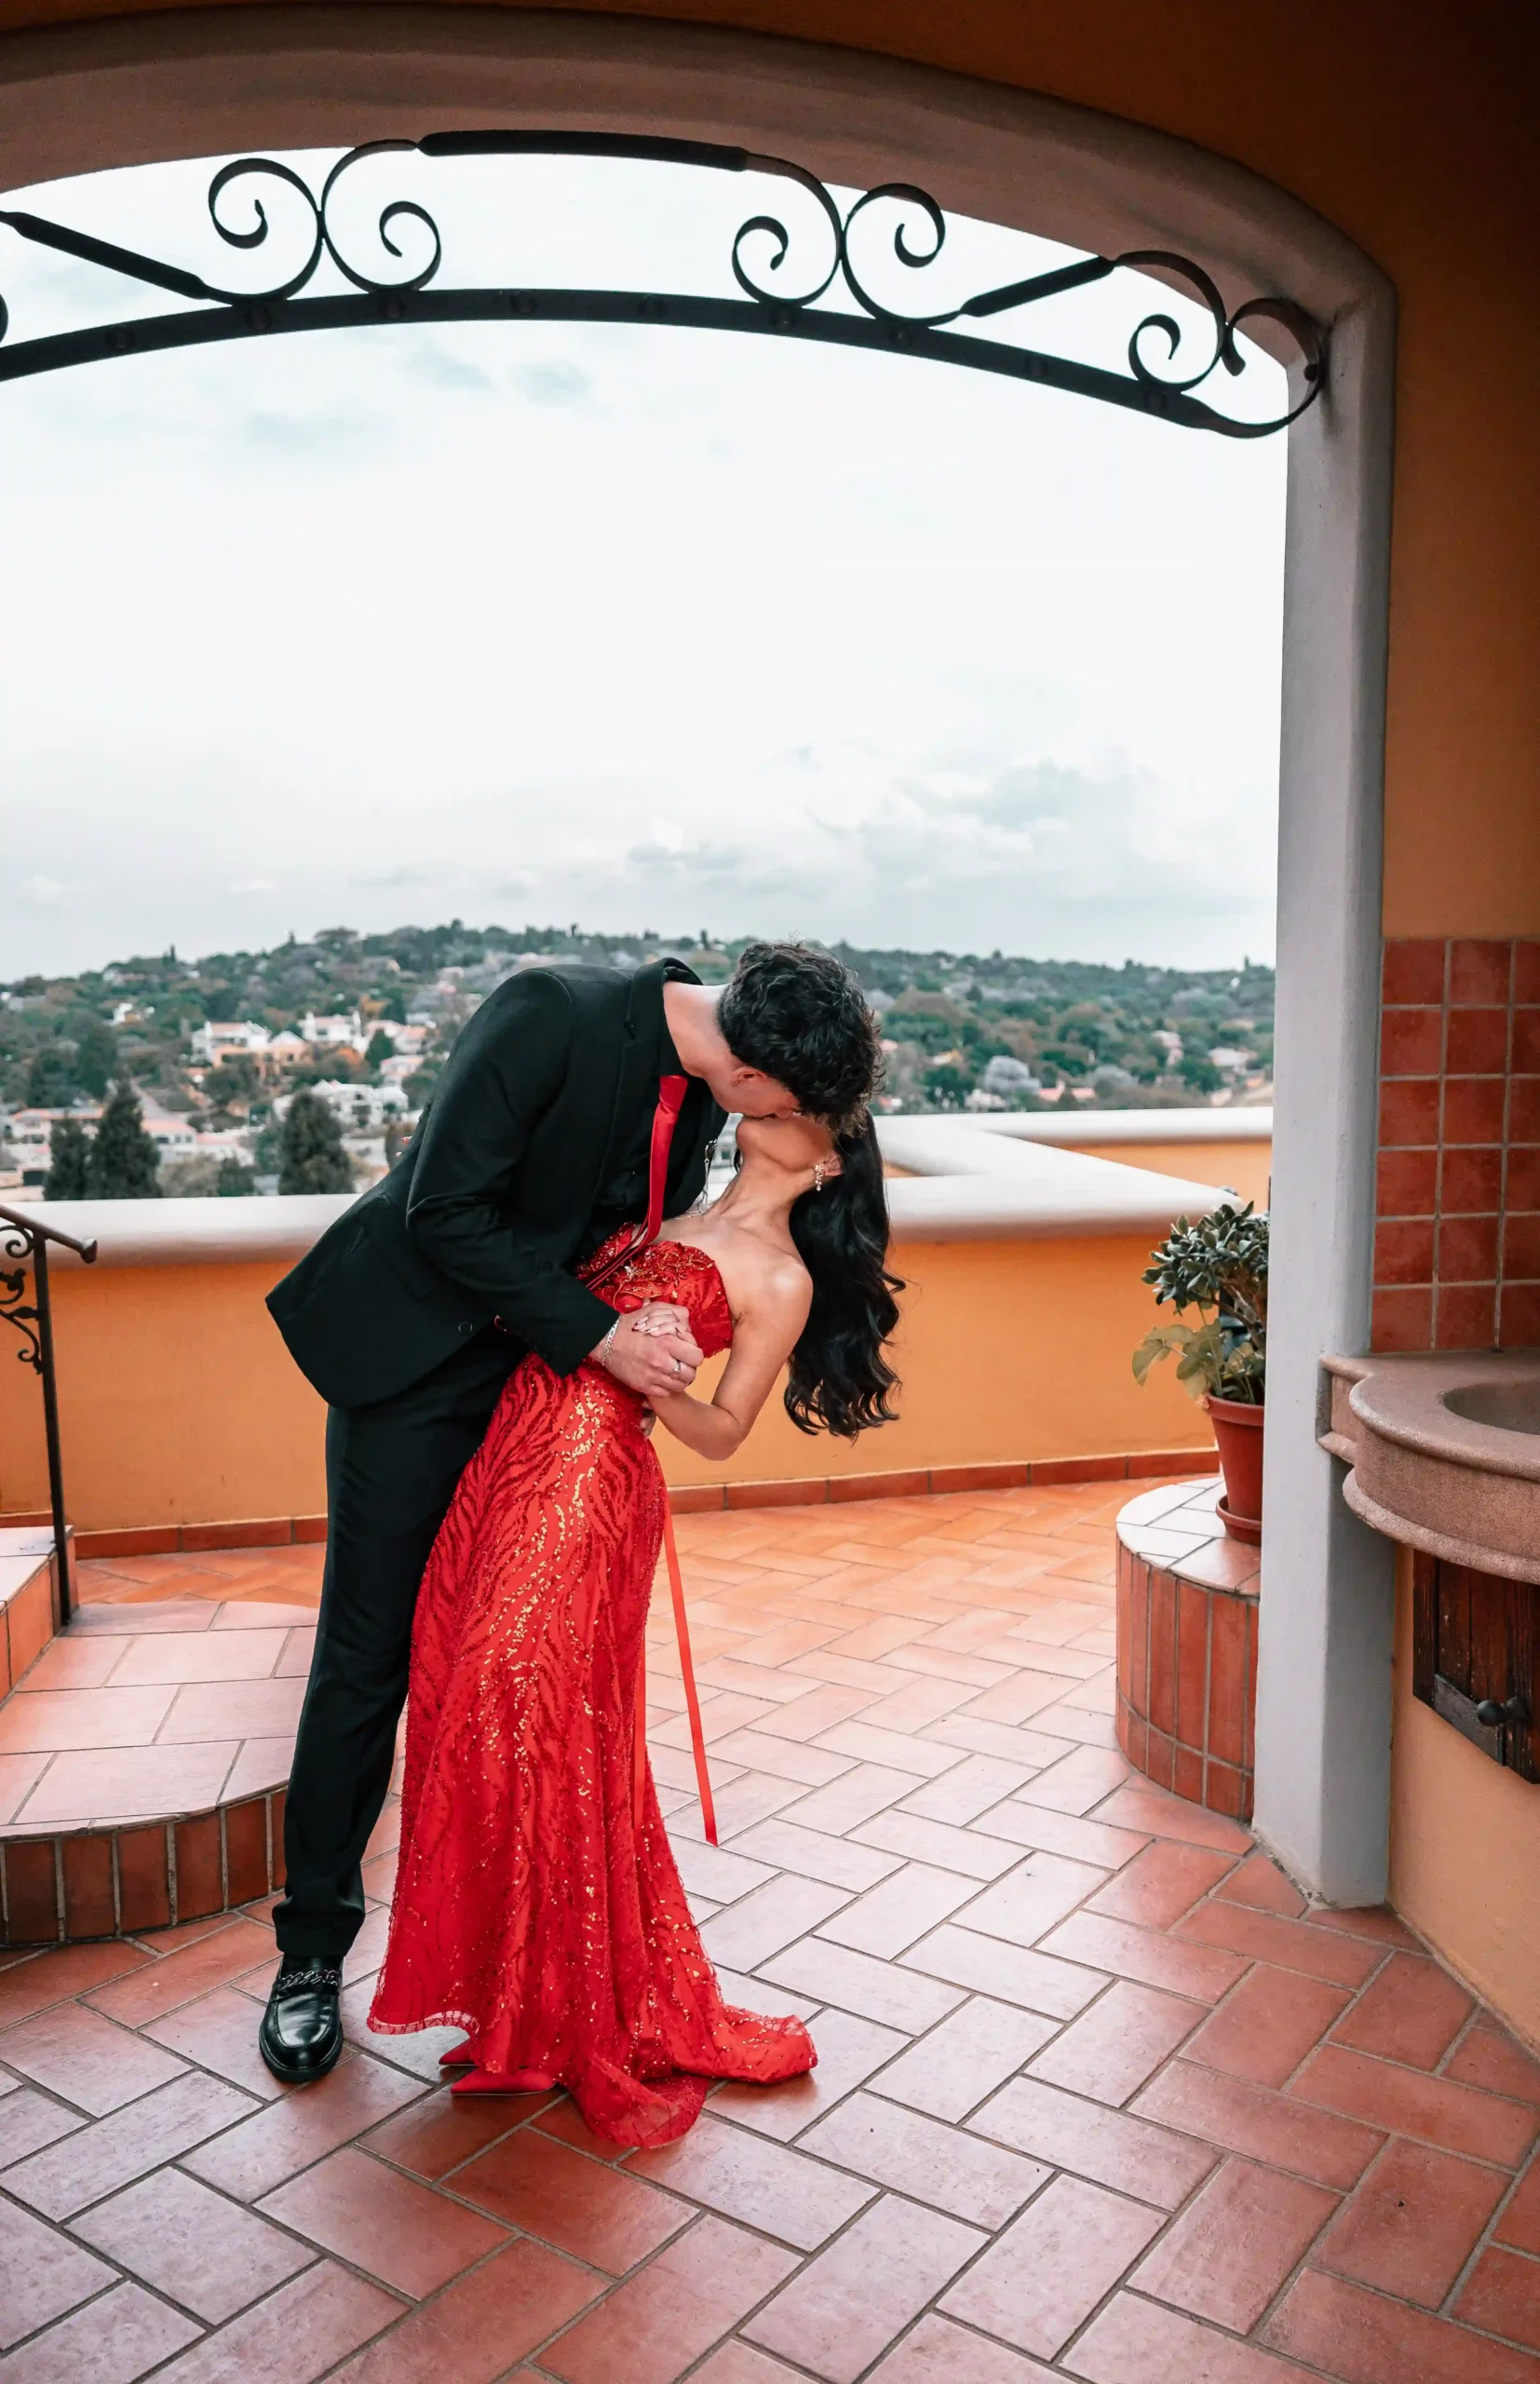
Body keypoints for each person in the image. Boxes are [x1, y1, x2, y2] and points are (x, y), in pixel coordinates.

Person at [258, 942, 882, 2085]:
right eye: (783, 1104)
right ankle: (309, 1955)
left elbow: (622, 1247)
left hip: (541, 1407)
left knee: (513, 1678)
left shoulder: (707, 1096)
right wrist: (605, 1337)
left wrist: (643, 1347)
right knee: (366, 1657)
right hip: (416, 1375)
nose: (776, 1121)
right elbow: (445, 1208)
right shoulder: (548, 1011)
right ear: (751, 1075)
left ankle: (520, 1969)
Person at [366, 1104, 901, 2145]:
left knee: (523, 1711)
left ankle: (556, 2015)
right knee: (467, 1701)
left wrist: (648, 1376)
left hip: (589, 1485)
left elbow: (724, 1431)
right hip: (511, 1451)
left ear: (832, 1160)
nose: (775, 1105)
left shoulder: (781, 1278)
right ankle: (515, 2005)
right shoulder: (666, 1207)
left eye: (807, 1108)